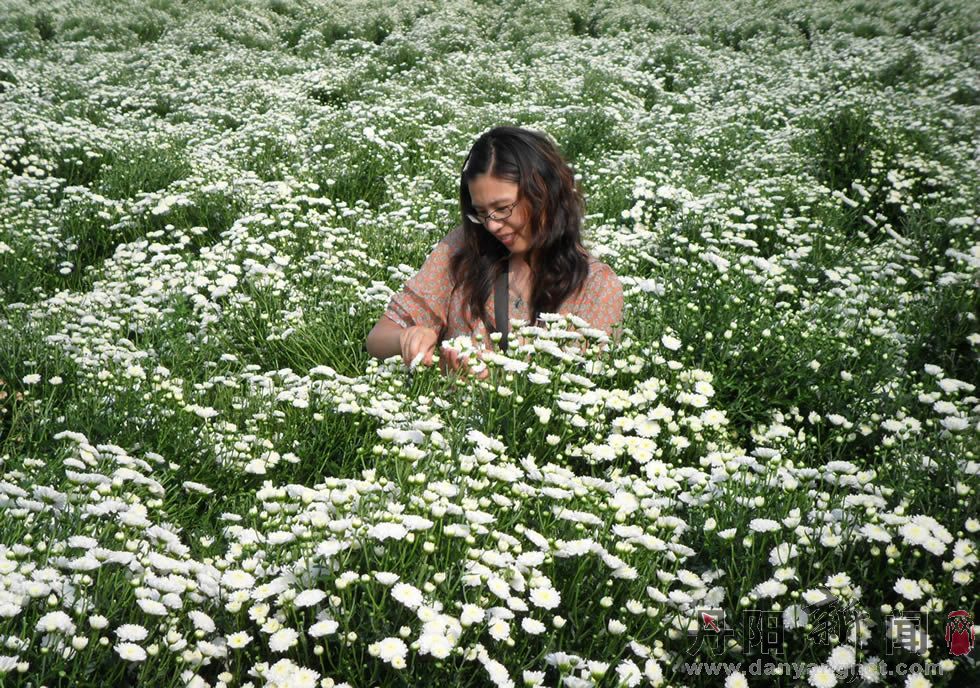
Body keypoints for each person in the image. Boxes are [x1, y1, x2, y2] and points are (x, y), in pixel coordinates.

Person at [365, 125, 624, 377]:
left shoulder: (597, 287)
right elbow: (378, 338)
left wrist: (488, 383)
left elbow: (582, 388)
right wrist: (406, 338)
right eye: (481, 212)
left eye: (503, 208)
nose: (492, 225)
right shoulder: (465, 247)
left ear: (545, 193)